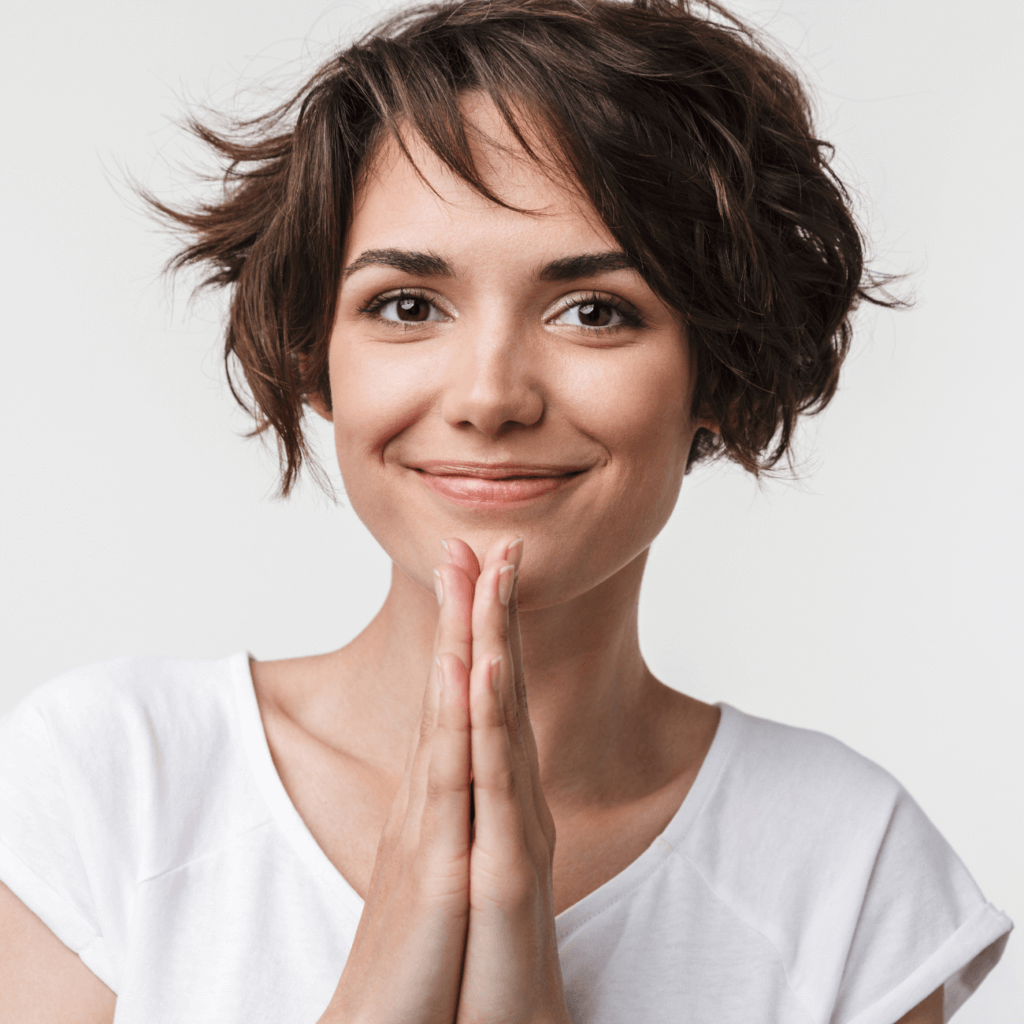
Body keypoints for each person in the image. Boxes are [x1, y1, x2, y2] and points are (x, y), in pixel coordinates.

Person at [0, 1, 1012, 1021]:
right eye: (406, 305)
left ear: (720, 371)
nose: (490, 396)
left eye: (594, 311)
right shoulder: (107, 783)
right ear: (316, 359)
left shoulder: (843, 866)